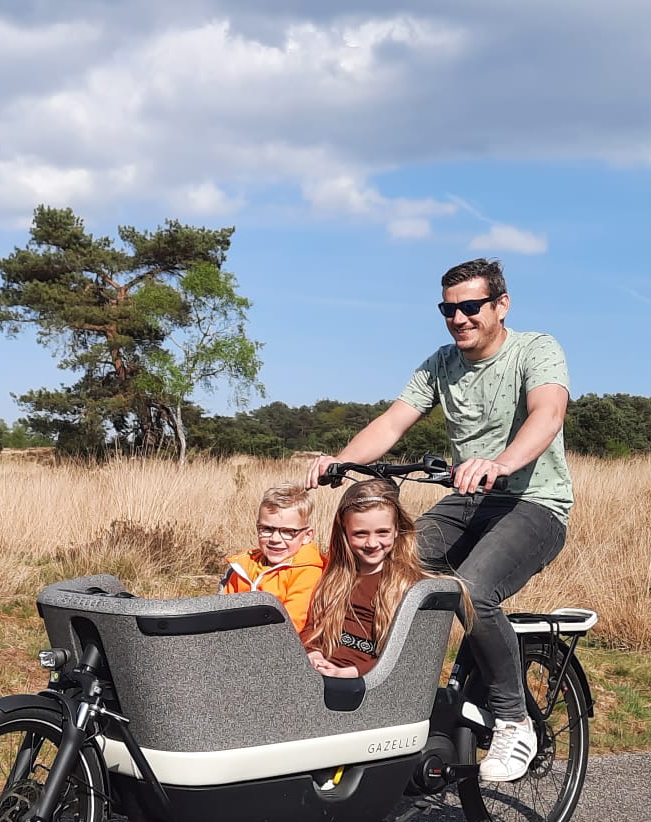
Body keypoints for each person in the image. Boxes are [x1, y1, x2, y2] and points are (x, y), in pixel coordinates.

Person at [306, 257, 571, 782]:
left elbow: (548, 414)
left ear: (501, 305)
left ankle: (514, 720)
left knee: (472, 588)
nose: (459, 318)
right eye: (448, 310)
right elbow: (392, 422)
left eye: (471, 307)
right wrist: (340, 461)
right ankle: (370, 683)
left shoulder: (536, 349)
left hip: (533, 502)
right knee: (384, 565)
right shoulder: (441, 364)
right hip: (468, 499)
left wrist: (500, 463)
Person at [301, 478, 428, 677]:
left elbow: (408, 656)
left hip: (371, 684)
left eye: (382, 532)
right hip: (321, 676)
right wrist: (313, 653)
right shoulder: (334, 578)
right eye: (360, 534)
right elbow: (313, 629)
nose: (372, 543)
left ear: (397, 529)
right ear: (344, 532)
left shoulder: (409, 586)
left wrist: (348, 674)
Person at [220, 484, 326, 633]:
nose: (275, 539)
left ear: (307, 536)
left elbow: (292, 624)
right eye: (267, 529)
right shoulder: (244, 565)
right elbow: (222, 609)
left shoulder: (308, 572)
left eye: (288, 531)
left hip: (281, 643)